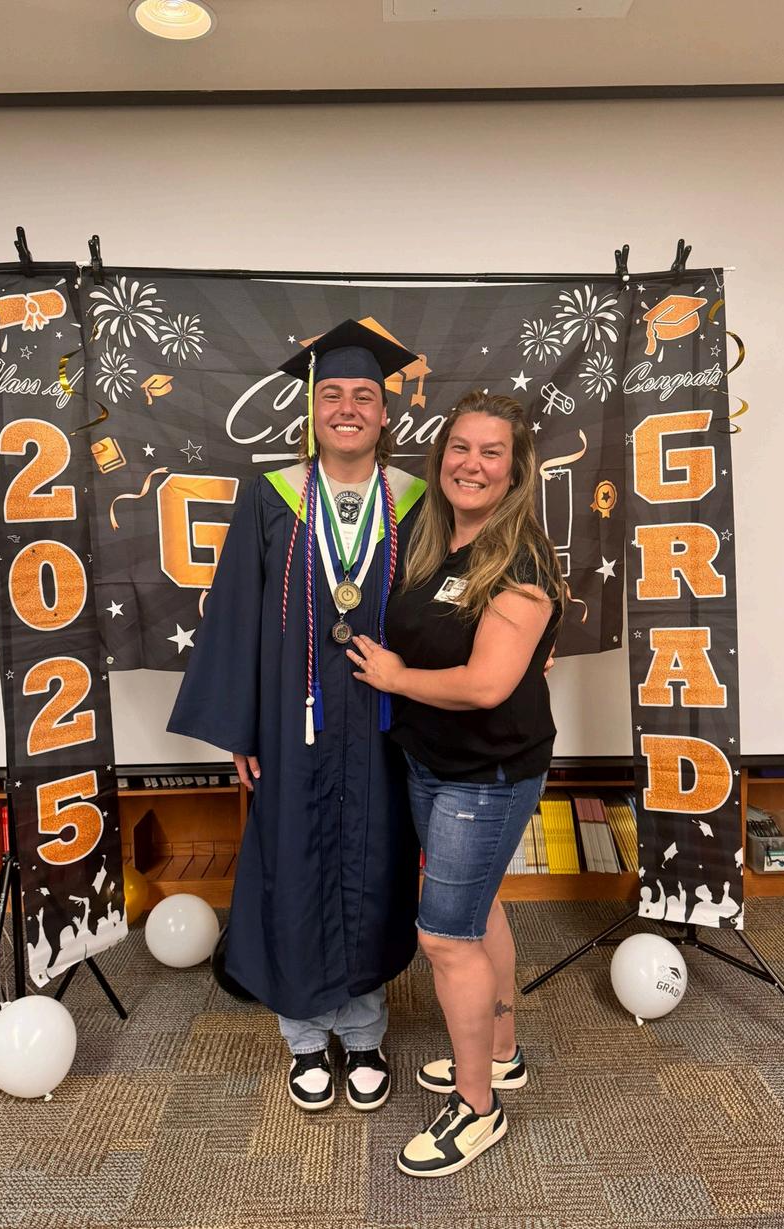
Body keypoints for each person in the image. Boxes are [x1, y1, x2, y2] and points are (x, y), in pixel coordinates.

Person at [168, 320, 426, 1112]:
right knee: (293, 862)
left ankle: (365, 1030)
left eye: (364, 396)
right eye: (333, 395)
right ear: (312, 410)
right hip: (295, 722)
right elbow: (237, 614)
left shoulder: (416, 501)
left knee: (375, 864)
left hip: (384, 721)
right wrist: (243, 727)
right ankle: (305, 1037)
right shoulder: (270, 495)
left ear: (385, 414)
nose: (348, 408)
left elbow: (451, 603)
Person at [347, 390, 563, 1176]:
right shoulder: (433, 536)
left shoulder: (521, 558)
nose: (472, 464)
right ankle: (501, 1052)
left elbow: (485, 684)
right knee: (478, 907)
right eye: (460, 448)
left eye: (491, 452)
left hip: (488, 773)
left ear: (515, 469)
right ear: (442, 458)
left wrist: (397, 677)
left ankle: (478, 1108)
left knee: (445, 935)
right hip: (431, 760)